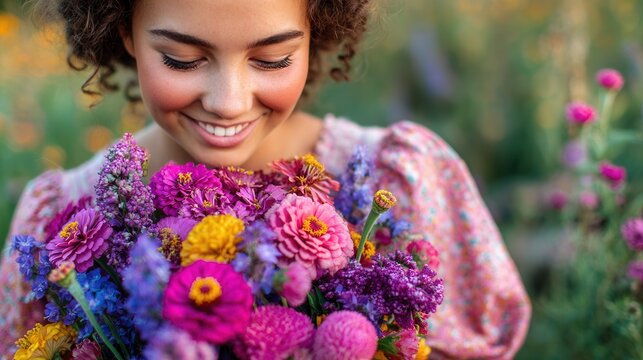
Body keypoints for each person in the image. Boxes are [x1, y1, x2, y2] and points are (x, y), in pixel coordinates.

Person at [0, 0, 531, 358]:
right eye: (182, 60)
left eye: (273, 59)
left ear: (315, 31)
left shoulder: (404, 179)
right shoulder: (57, 222)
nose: (228, 101)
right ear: (126, 33)